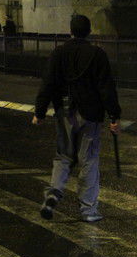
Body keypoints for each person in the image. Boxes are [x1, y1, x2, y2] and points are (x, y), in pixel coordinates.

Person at [32, 14, 121, 223]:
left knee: (63, 155)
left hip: (65, 112)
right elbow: (106, 88)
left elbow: (47, 84)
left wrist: (39, 112)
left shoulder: (59, 53)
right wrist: (114, 115)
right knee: (88, 159)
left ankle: (54, 193)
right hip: (91, 114)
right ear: (89, 32)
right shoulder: (97, 54)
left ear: (70, 31)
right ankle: (89, 210)